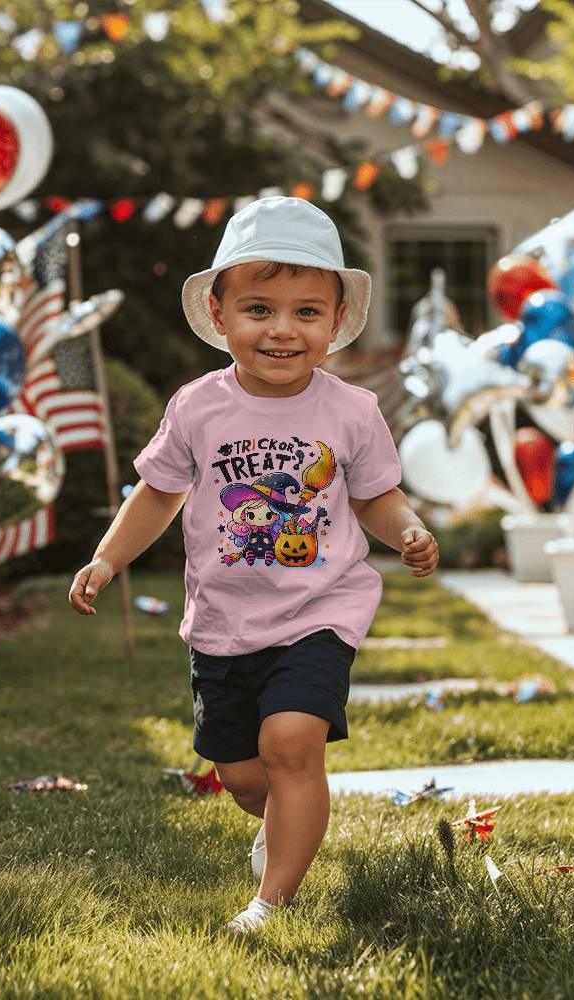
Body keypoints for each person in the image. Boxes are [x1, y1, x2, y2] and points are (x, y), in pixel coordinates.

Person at [68, 197, 439, 934]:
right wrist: (108, 558)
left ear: (336, 321)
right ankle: (275, 823)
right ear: (220, 313)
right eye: (260, 308)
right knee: (243, 775)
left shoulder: (353, 411)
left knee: (291, 744)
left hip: (319, 612)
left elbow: (376, 497)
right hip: (224, 624)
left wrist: (409, 530)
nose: (281, 329)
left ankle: (269, 905)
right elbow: (156, 496)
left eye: (307, 312)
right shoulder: (198, 408)